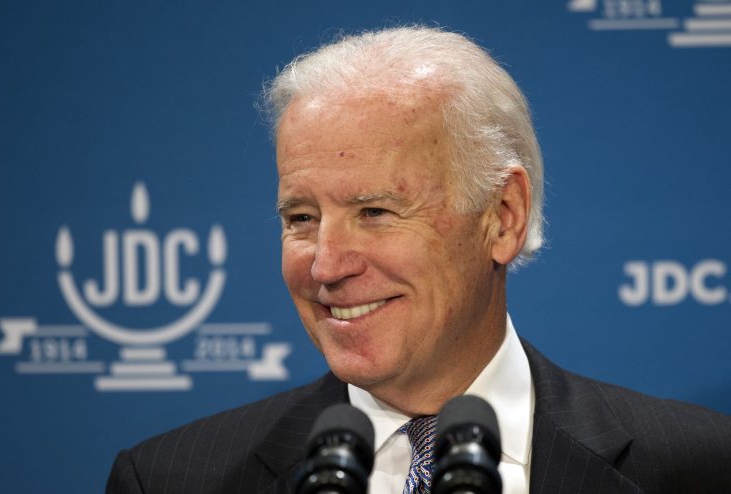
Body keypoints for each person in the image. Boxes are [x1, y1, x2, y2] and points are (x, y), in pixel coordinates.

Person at [106, 26, 731, 494]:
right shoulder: (170, 479)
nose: (326, 266)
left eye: (374, 212)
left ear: (503, 216)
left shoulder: (697, 466)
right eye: (301, 219)